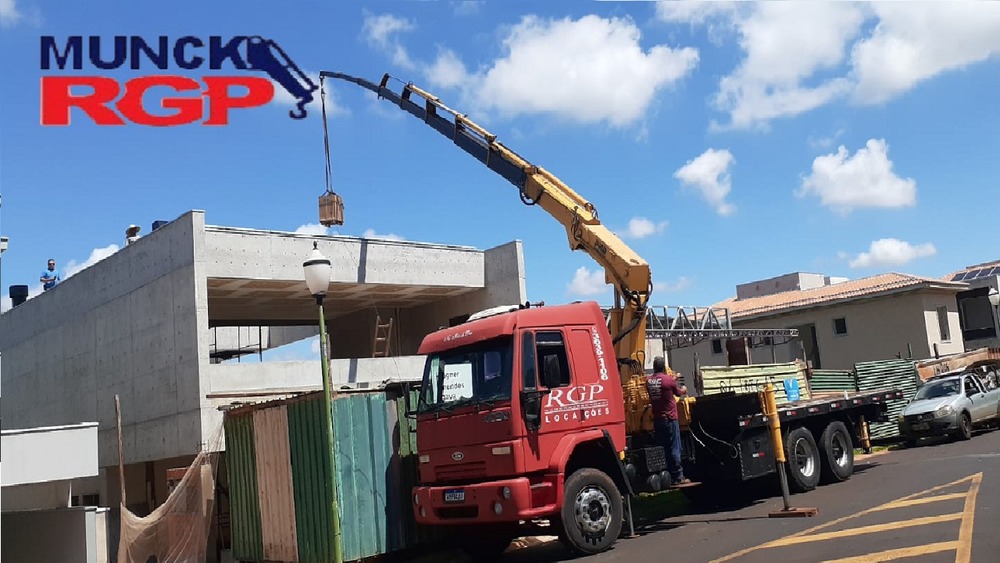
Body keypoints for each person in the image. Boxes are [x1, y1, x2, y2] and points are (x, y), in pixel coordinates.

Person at [646, 356, 690, 485]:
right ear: (664, 367)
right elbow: (678, 392)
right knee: (675, 447)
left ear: (654, 367)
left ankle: (668, 477)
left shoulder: (648, 381)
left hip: (658, 420)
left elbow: (662, 384)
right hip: (670, 418)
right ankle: (679, 477)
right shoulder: (668, 380)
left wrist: (673, 379)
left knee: (664, 448)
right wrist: (684, 389)